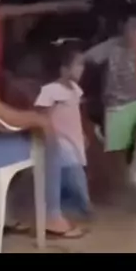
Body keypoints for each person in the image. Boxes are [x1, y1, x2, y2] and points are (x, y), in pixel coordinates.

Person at [0, 0, 88, 239]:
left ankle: (4, 213)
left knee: (29, 138)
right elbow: (4, 118)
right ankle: (52, 217)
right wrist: (38, 120)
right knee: (48, 139)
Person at [34, 44, 90, 237]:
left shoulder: (75, 90)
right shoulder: (51, 90)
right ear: (64, 69)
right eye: (78, 65)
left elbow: (75, 115)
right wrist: (49, 136)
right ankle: (76, 212)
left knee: (68, 180)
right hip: (60, 143)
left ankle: (64, 213)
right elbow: (42, 115)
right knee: (75, 180)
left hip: (73, 142)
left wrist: (82, 135)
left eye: (82, 65)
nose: (82, 69)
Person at [85, 3, 136, 153]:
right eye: (134, 27)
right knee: (118, 153)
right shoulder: (112, 46)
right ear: (123, 27)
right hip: (117, 105)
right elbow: (87, 58)